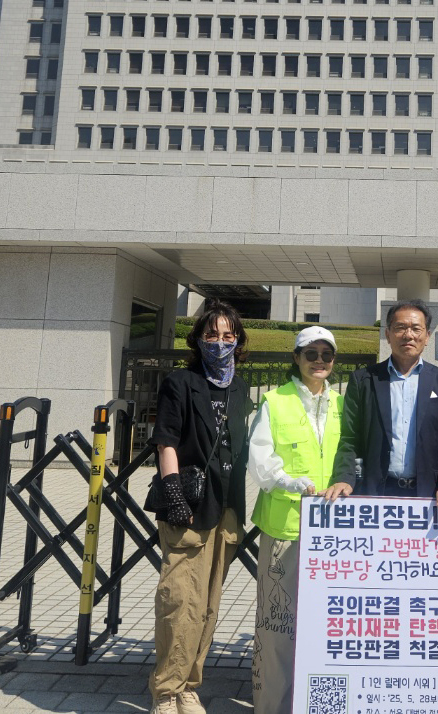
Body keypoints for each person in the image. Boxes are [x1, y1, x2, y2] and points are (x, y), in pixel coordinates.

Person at [146, 300, 250, 714]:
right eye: (212, 335)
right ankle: (166, 691)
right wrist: (172, 491)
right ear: (198, 339)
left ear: (238, 340)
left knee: (207, 606)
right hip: (188, 507)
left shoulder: (240, 388)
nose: (220, 343)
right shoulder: (181, 382)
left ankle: (190, 683)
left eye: (228, 336)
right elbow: (166, 439)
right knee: (179, 602)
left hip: (227, 510)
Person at [249, 325, 344, 714]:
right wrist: (289, 481)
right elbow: (261, 460)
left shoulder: (342, 403)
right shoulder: (275, 400)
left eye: (326, 354)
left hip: (336, 531)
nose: (319, 360)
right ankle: (272, 706)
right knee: (278, 624)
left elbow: (351, 457)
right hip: (286, 526)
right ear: (296, 357)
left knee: (326, 623)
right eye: (311, 353)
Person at [324, 299, 438, 524]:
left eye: (416, 328)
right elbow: (350, 438)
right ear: (388, 334)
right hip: (375, 494)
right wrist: (344, 477)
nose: (408, 335)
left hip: (429, 497)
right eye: (400, 328)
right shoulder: (364, 380)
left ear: (427, 336)